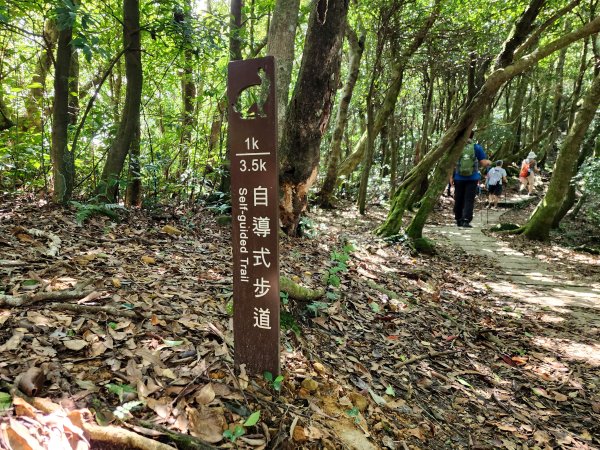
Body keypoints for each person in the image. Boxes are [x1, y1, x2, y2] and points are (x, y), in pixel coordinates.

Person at [452, 131, 491, 227]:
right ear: (472, 136)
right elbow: (483, 163)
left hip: (458, 177)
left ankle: (458, 219)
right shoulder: (476, 147)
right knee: (469, 199)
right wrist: (489, 162)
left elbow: (451, 163)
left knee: (458, 198)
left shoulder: (457, 147)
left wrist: (450, 177)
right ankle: (466, 220)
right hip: (472, 178)